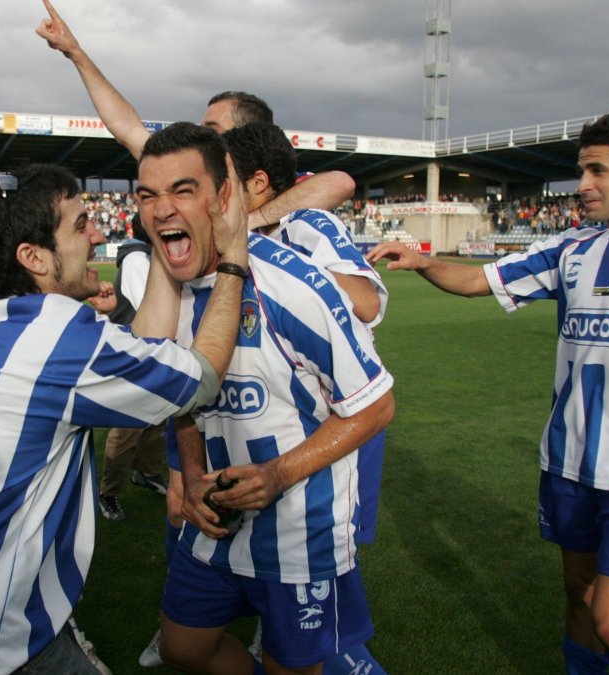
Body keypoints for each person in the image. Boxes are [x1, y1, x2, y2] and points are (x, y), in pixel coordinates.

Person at [367, 109, 609, 674]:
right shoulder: (574, 247)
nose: (582, 186)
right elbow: (482, 280)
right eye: (581, 171)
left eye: (598, 171)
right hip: (571, 463)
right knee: (579, 603)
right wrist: (423, 261)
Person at [0, 162, 249, 674]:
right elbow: (199, 378)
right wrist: (233, 261)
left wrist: (162, 252)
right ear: (33, 257)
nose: (97, 235)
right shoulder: (58, 339)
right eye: (80, 225)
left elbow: (145, 350)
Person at [136, 122, 395, 674]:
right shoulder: (170, 294)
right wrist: (190, 474)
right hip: (215, 524)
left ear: (223, 197)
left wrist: (277, 474)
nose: (162, 210)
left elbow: (375, 405)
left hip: (300, 533)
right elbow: (184, 402)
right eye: (147, 195)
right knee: (183, 646)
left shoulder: (292, 285)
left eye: (182, 190)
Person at [223, 121, 390, 674]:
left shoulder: (304, 226)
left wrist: (300, 281)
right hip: (270, 421)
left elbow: (366, 304)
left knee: (319, 586)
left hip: (339, 419)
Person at [36, 0, 356, 230]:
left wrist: (250, 221)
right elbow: (126, 127)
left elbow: (340, 182)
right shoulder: (194, 176)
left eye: (213, 127)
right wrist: (76, 54)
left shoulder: (285, 187)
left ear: (248, 132)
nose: (203, 134)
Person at [96, 215, 171, 522]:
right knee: (129, 426)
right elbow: (153, 309)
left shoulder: (143, 257)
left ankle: (147, 471)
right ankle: (108, 491)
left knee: (157, 419)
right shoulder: (138, 260)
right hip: (134, 352)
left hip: (147, 349)